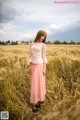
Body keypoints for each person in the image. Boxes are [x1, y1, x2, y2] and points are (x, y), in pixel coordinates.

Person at [29, 30, 48, 112]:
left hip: (40, 65)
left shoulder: (43, 45)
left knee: (39, 83)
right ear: (38, 35)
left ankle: (39, 102)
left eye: (44, 36)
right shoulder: (31, 44)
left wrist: (44, 68)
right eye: (42, 35)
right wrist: (30, 65)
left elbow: (44, 57)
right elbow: (30, 55)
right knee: (34, 83)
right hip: (33, 65)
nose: (43, 37)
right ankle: (36, 98)